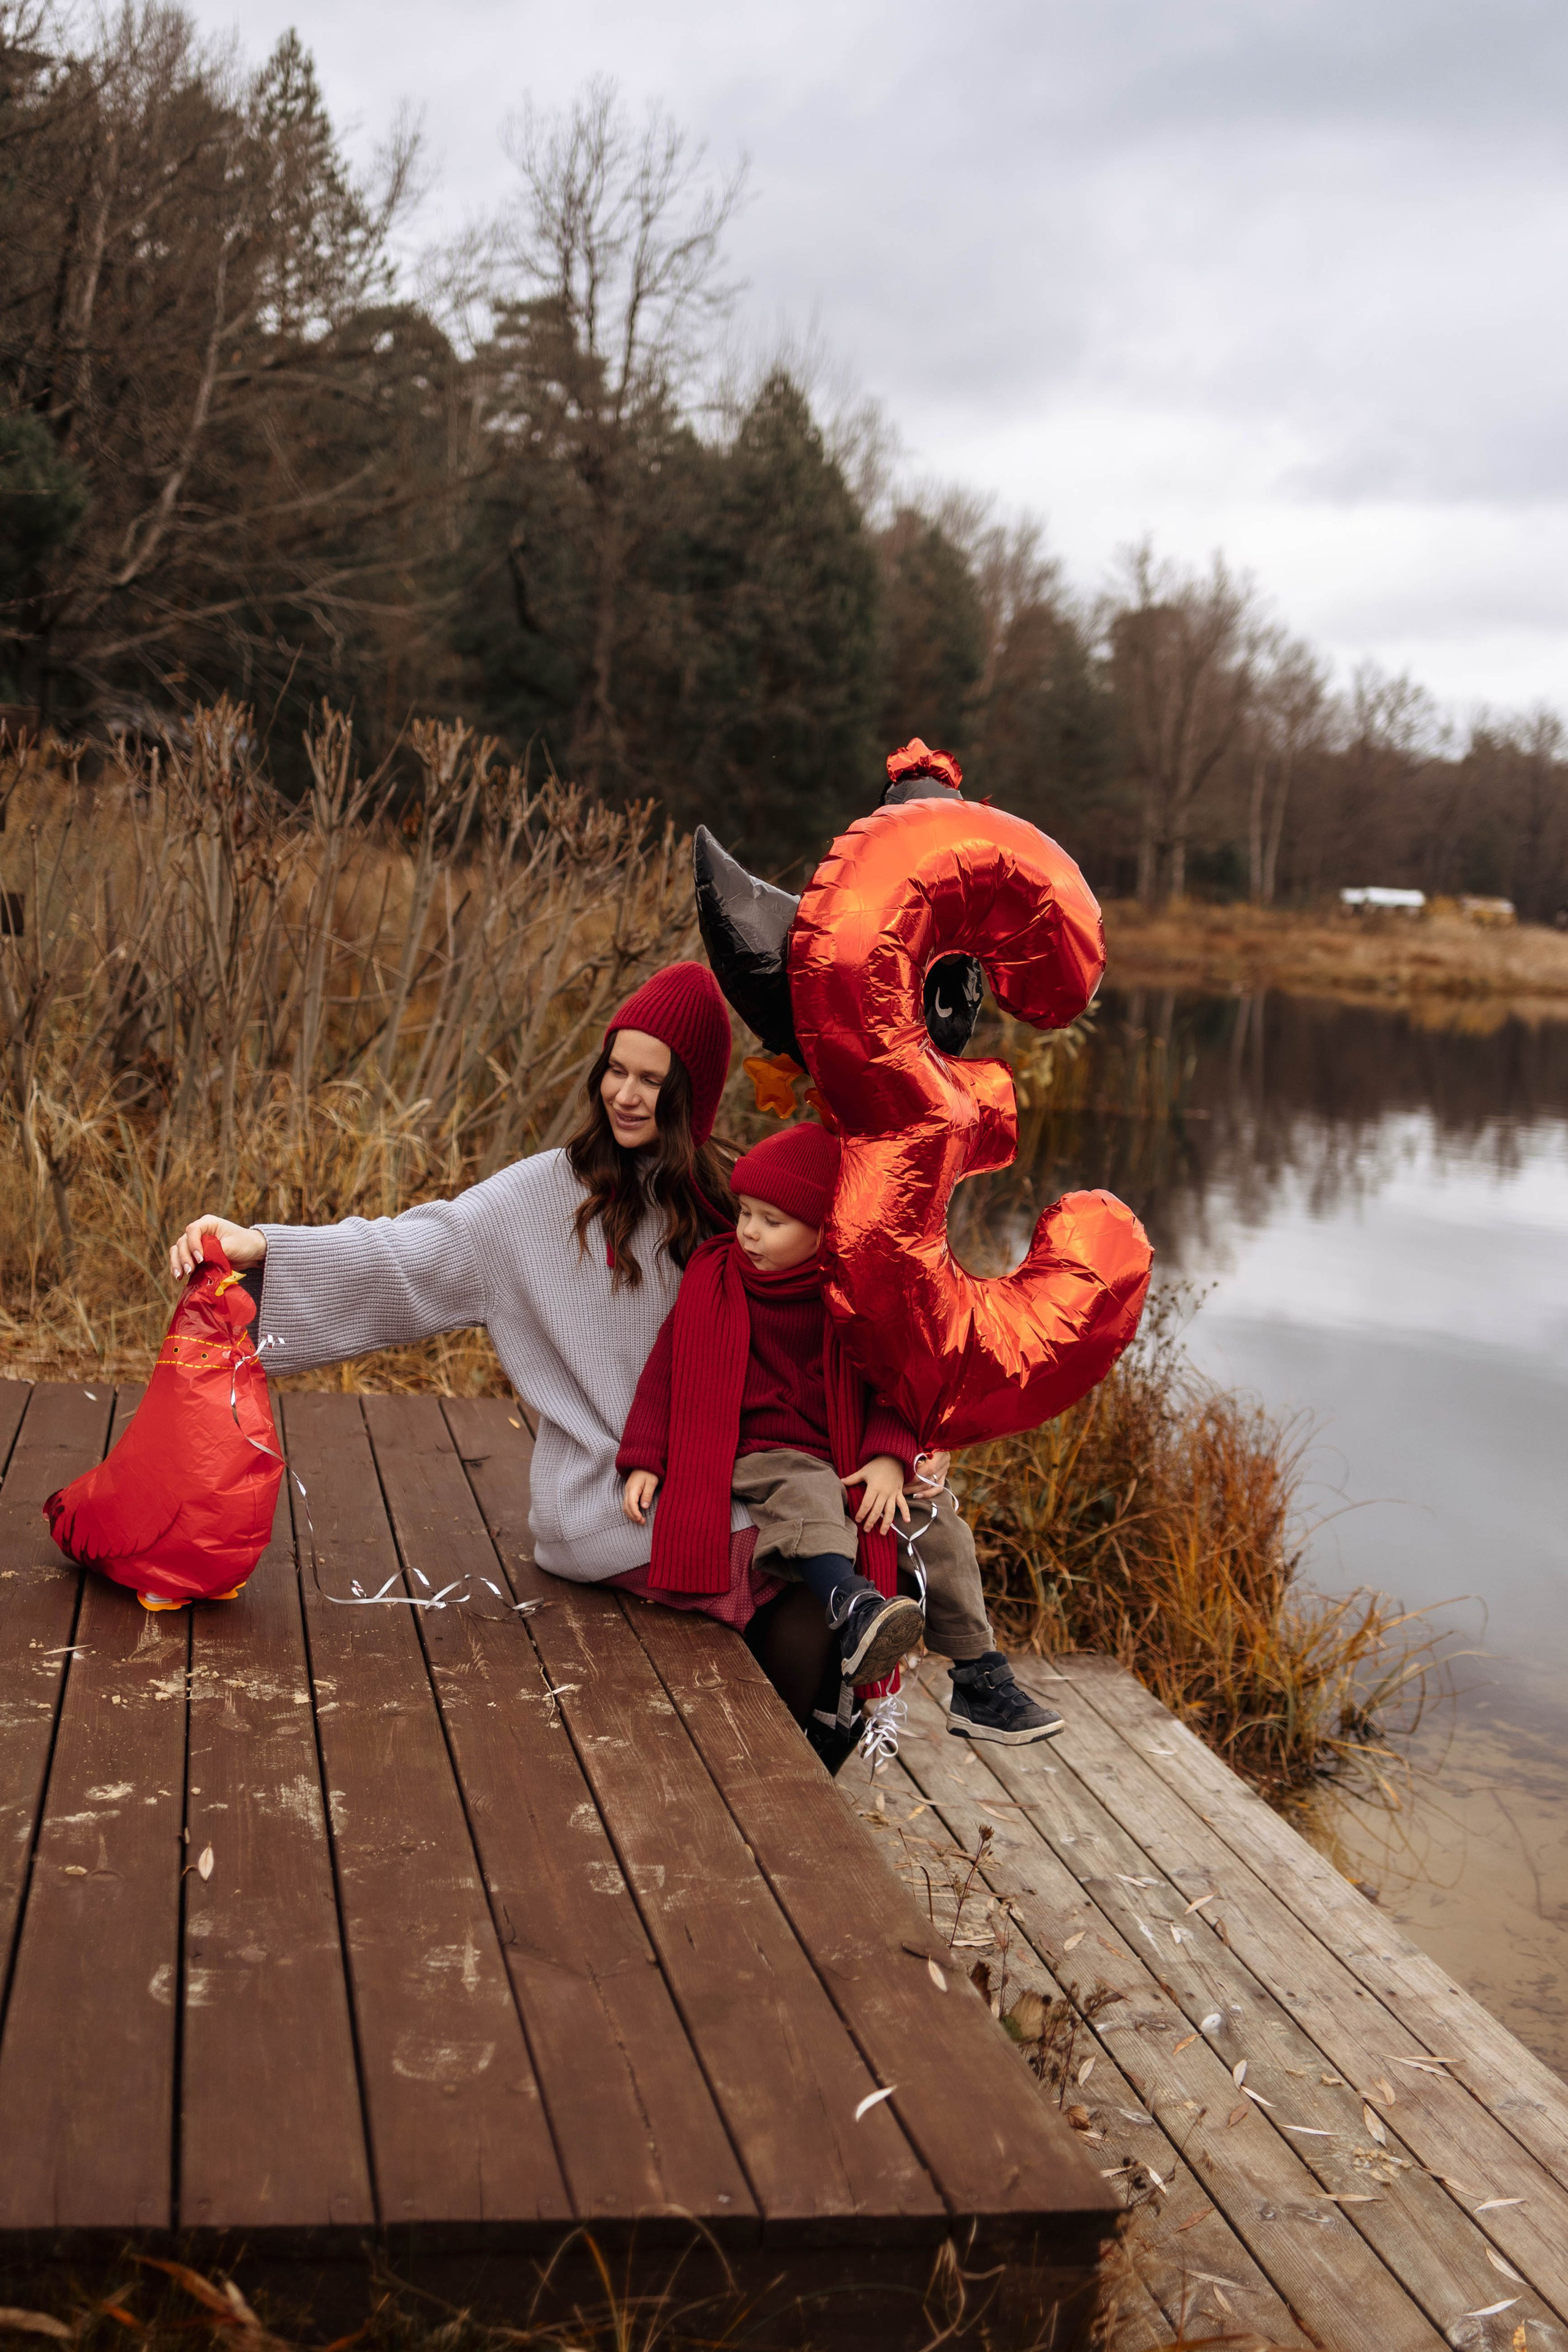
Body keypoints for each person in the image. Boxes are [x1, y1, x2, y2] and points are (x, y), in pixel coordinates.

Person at [166, 961, 841, 1721]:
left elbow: (820, 1317)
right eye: (615, 1070)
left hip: (718, 1478)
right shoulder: (541, 1197)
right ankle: (781, 1771)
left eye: (652, 1080)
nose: (624, 1094)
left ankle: (789, 1756)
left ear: (695, 1095)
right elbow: (408, 1254)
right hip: (608, 1502)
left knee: (875, 1545)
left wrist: (910, 1438)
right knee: (814, 1581)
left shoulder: (733, 1204)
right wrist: (264, 1247)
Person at [617, 1120, 1065, 1746]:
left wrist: (890, 1457)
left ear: (825, 1229)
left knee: (936, 1526)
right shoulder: (715, 1275)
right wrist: (645, 1456)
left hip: (846, 1449)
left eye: (772, 1222)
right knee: (809, 1493)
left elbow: (897, 1383)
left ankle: (978, 1677)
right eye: (744, 1213)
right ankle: (850, 1605)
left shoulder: (856, 1297)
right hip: (759, 1448)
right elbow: (666, 1372)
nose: (748, 1232)